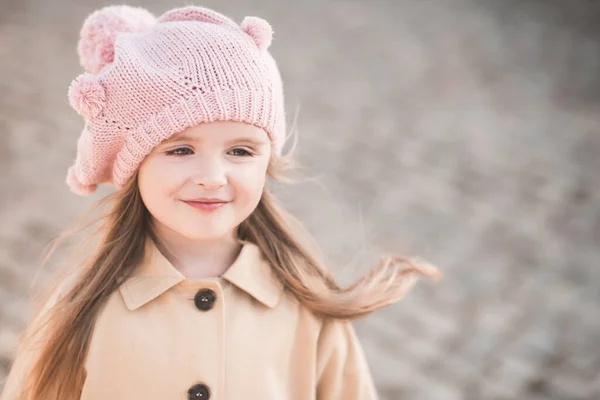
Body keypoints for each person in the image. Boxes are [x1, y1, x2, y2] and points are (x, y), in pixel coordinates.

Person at [0, 4, 441, 400]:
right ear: (133, 163)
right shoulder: (81, 313)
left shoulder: (311, 311)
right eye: (179, 149)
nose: (212, 178)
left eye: (241, 151)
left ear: (268, 161)